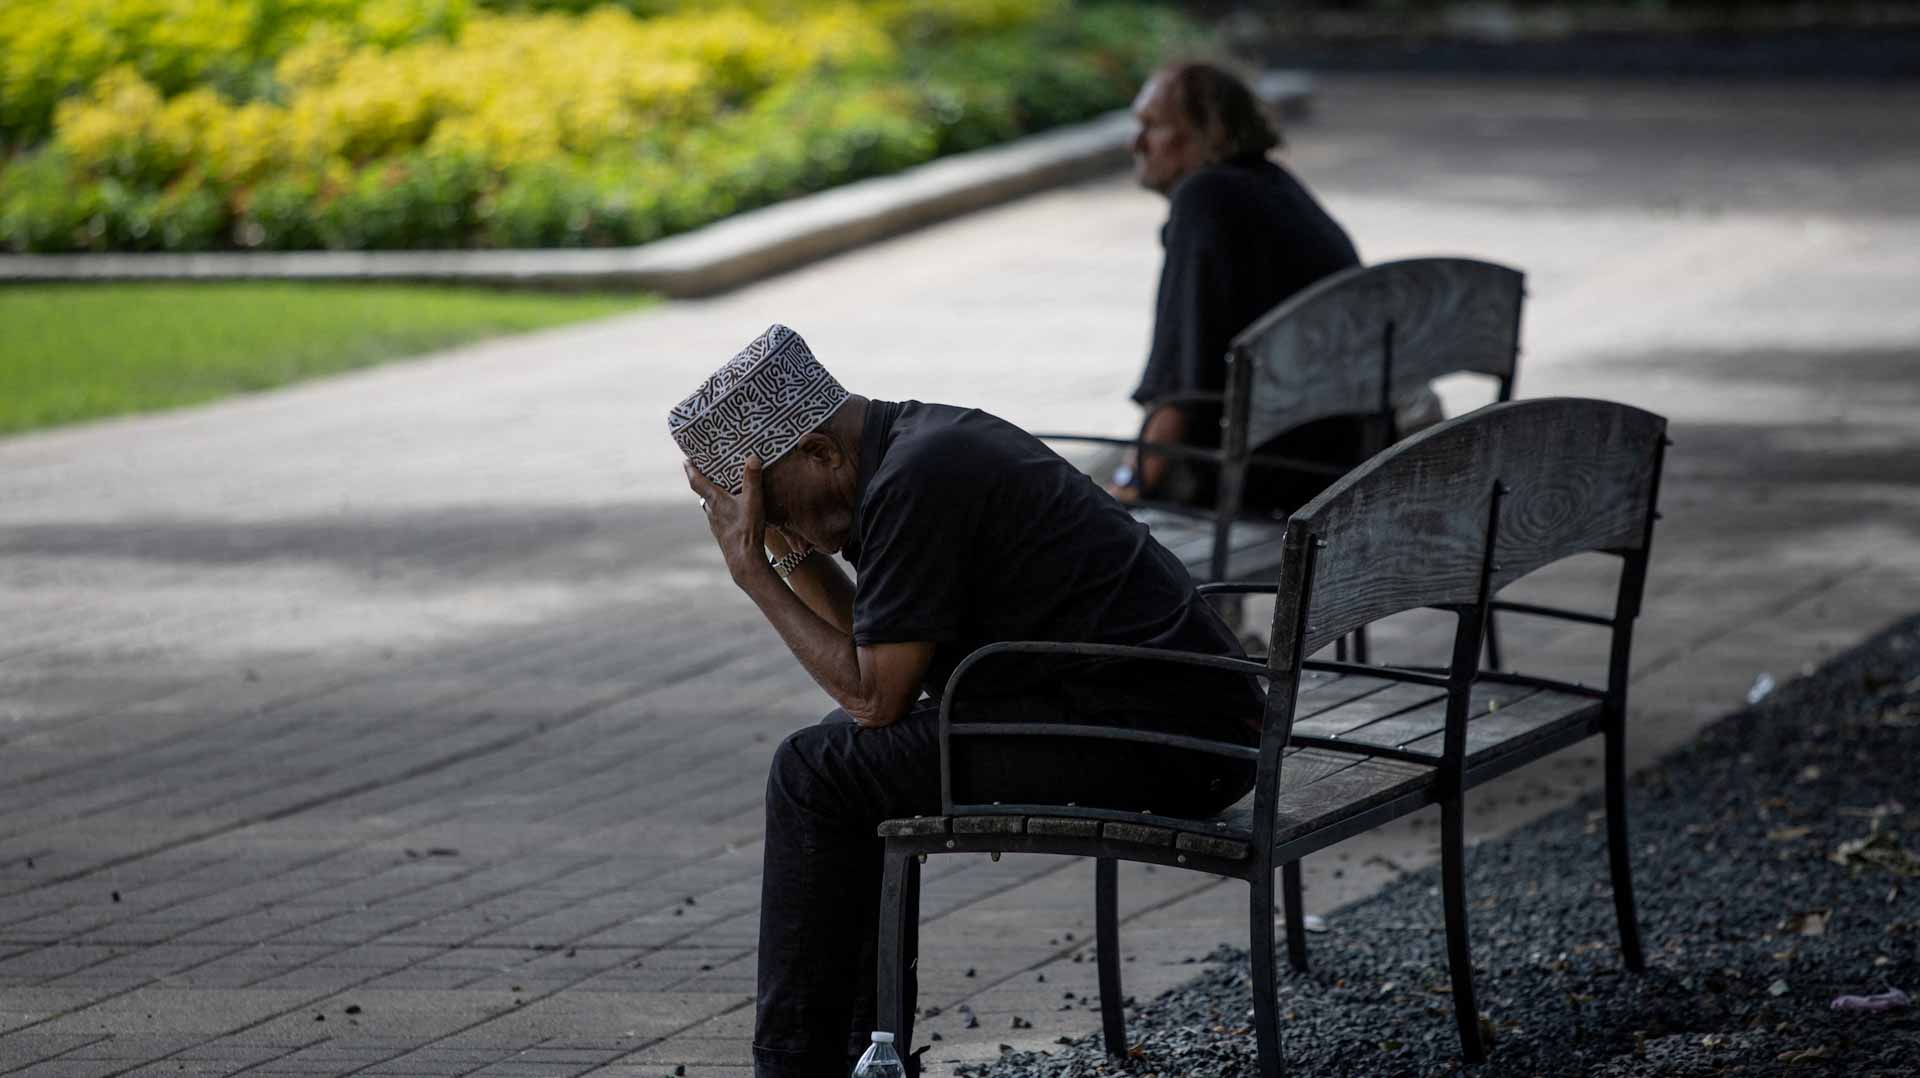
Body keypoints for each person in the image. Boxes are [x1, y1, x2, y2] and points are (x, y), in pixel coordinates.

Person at [670, 325, 1262, 1078]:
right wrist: (785, 548)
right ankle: (864, 1057)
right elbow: (881, 660)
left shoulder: (916, 479)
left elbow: (875, 697)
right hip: (1167, 723)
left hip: (1174, 745)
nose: (780, 527)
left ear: (822, 451)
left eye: (777, 505)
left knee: (814, 770)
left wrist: (755, 572)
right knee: (841, 761)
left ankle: (797, 1068)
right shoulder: (914, 448)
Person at [1114, 61, 1367, 511]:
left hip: (1263, 480)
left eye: (1152, 126)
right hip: (1334, 457)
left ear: (1207, 132)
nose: (1135, 143)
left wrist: (1131, 484)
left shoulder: (1205, 200)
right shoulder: (1274, 185)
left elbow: (1178, 386)